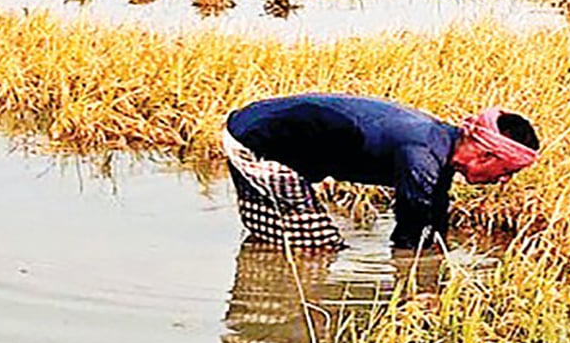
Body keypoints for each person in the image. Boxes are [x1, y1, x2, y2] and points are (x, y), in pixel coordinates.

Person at [221, 94, 540, 250]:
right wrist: (419, 279)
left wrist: (437, 245)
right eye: (506, 171)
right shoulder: (422, 154)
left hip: (274, 135)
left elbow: (435, 210)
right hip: (255, 141)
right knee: (316, 248)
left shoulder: (440, 147)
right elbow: (411, 229)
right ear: (485, 154)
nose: (503, 180)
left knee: (287, 234)